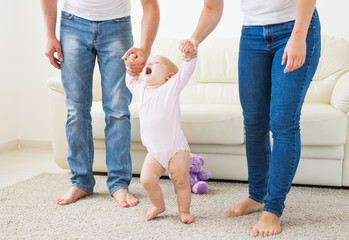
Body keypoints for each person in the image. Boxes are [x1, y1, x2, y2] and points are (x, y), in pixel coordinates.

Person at [180, 0, 321, 237]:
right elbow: (212, 8)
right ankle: (257, 196)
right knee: (254, 124)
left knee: (283, 123)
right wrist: (194, 38)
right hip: (252, 34)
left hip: (294, 27)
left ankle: (273, 209)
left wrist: (298, 36)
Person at [40, 0, 160, 207]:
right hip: (73, 25)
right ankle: (81, 182)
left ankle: (119, 184)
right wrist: (50, 36)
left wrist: (145, 49)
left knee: (117, 110)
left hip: (117, 25)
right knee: (76, 110)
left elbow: (150, 5)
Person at [125, 40, 197, 223]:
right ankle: (159, 205)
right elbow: (131, 80)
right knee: (147, 180)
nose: (149, 64)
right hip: (154, 152)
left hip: (176, 148)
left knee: (180, 182)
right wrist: (132, 67)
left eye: (156, 63)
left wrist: (189, 57)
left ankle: (184, 211)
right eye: (149, 62)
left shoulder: (170, 88)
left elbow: (185, 72)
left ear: (169, 76)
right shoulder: (141, 90)